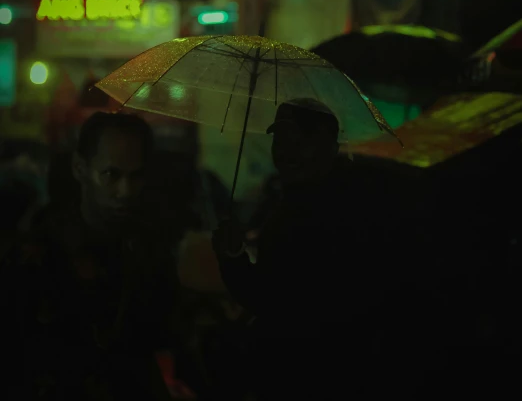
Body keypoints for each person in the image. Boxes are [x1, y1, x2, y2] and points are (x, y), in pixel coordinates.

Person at [2, 112, 193, 400]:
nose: (125, 191)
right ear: (80, 168)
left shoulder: (150, 248)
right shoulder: (41, 251)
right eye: (111, 175)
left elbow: (162, 339)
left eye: (136, 176)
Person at [212, 98, 390, 399]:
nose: (285, 151)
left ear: (330, 149)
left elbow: (274, 300)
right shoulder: (299, 198)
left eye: (301, 141)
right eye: (280, 140)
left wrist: (232, 259)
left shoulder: (330, 211)